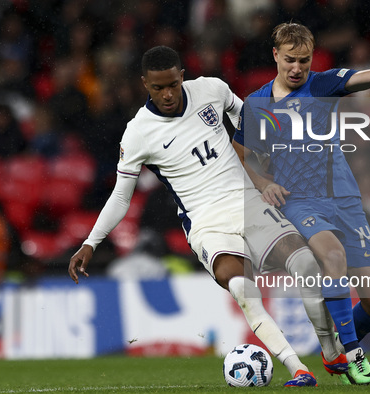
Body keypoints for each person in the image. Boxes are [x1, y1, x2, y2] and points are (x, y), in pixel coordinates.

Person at [69, 46, 348, 387]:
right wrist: (91, 242)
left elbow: (250, 121)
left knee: (305, 264)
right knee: (245, 291)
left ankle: (330, 348)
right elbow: (121, 196)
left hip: (248, 201)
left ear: (182, 75)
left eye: (172, 83)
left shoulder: (211, 89)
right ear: (145, 84)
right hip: (206, 223)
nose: (168, 93)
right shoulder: (138, 132)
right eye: (158, 88)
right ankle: (298, 370)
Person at [233, 22, 370, 385]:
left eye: (304, 60)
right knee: (331, 256)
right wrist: (264, 183)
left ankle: (334, 346)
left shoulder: (322, 84)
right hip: (299, 201)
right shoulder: (256, 104)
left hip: (345, 200)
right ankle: (352, 357)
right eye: (290, 60)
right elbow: (241, 156)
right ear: (275, 55)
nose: (296, 68)